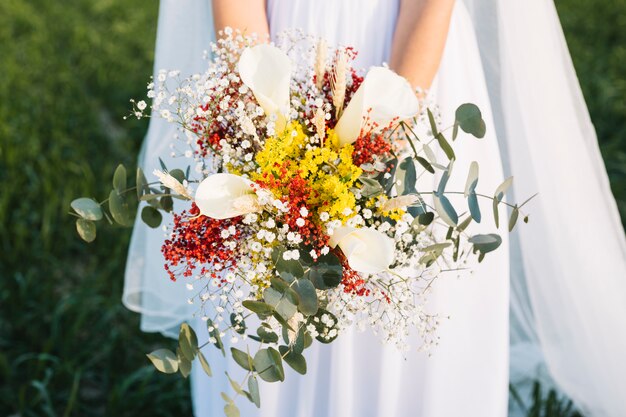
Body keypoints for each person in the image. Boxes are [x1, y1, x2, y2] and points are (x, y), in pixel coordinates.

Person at [124, 1, 626, 416]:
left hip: (412, 61)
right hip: (279, 51)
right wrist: (260, 119)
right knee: (264, 283)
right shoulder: (260, 92)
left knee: (407, 289)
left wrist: (384, 127)